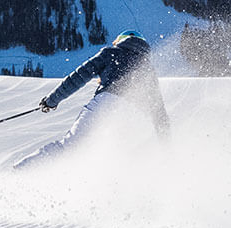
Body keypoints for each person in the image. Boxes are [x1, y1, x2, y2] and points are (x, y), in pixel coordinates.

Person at [11, 30, 172, 169]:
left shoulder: (111, 53)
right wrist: (167, 148)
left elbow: (77, 77)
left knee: (70, 147)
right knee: (110, 159)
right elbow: (159, 112)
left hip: (107, 103)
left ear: (120, 41)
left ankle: (20, 171)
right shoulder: (147, 68)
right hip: (129, 116)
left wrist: (51, 101)